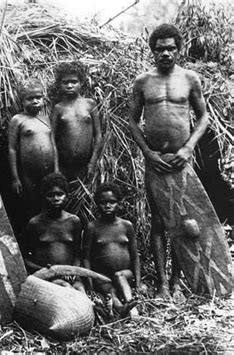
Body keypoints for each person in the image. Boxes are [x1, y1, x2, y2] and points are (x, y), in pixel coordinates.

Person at [128, 24, 209, 300]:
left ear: (178, 49)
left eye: (170, 48)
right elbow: (132, 120)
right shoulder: (143, 81)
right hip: (156, 161)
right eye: (160, 48)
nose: (165, 53)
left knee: (182, 221)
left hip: (181, 160)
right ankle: (162, 284)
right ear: (152, 50)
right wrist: (148, 153)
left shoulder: (189, 79)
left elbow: (203, 118)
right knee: (159, 222)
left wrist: (188, 148)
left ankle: (176, 283)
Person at [83, 183, 143, 316]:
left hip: (125, 273)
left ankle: (131, 305)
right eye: (103, 202)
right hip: (102, 274)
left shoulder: (126, 226)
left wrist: (138, 283)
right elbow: (86, 257)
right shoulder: (92, 227)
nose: (108, 205)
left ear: (119, 203)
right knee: (107, 287)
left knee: (119, 276)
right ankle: (120, 307)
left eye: (112, 202)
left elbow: (134, 256)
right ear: (97, 204)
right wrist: (90, 282)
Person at [23, 173, 85, 292]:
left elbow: (78, 255)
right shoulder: (35, 223)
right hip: (47, 277)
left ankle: (101, 308)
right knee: (65, 288)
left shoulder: (74, 221)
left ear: (66, 196)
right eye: (50, 195)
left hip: (70, 275)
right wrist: (47, 271)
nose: (56, 198)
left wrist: (73, 270)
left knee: (80, 290)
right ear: (43, 197)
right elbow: (26, 258)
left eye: (60, 194)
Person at [8, 80, 58, 227]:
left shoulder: (47, 119)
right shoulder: (17, 120)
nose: (35, 101)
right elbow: (12, 149)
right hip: (28, 173)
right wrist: (15, 177)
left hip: (48, 171)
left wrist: (56, 169)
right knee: (31, 204)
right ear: (22, 101)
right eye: (30, 99)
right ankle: (33, 237)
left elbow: (53, 145)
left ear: (44, 99)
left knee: (49, 202)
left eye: (38, 97)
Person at [50, 61, 102, 182]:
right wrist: (56, 167)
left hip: (85, 165)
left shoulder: (90, 104)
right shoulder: (58, 108)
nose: (69, 86)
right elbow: (52, 138)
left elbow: (98, 135)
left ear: (81, 83)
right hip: (64, 166)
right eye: (65, 82)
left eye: (74, 82)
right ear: (59, 84)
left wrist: (93, 161)